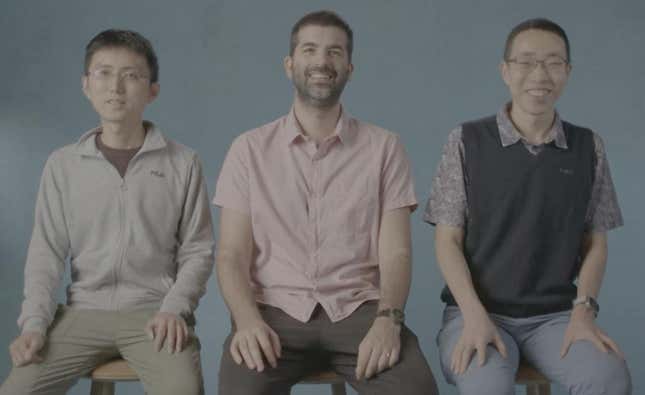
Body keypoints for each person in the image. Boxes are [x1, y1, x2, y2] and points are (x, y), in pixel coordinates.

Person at [214, 10, 438, 395]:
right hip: (272, 313)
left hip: (359, 312)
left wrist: (388, 320)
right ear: (289, 64)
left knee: (416, 390)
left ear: (349, 68)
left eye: (334, 52)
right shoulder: (248, 149)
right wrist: (246, 319)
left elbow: (397, 252)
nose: (321, 61)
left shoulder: (384, 147)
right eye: (310, 50)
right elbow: (231, 253)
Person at [1, 29, 214, 395]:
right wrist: (34, 323)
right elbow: (46, 254)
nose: (116, 87)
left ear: (152, 91)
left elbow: (198, 250)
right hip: (82, 314)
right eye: (103, 73)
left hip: (154, 314)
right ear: (86, 85)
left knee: (184, 390)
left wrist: (175, 308)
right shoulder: (63, 164)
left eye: (131, 76)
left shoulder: (183, 162)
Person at [425, 17, 632, 395]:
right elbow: (447, 241)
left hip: (555, 317)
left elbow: (595, 243)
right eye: (526, 61)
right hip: (476, 311)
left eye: (554, 62)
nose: (540, 74)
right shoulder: (467, 140)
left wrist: (583, 311)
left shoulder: (589, 147)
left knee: (608, 378)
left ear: (567, 72)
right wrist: (472, 315)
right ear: (506, 70)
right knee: (486, 388)